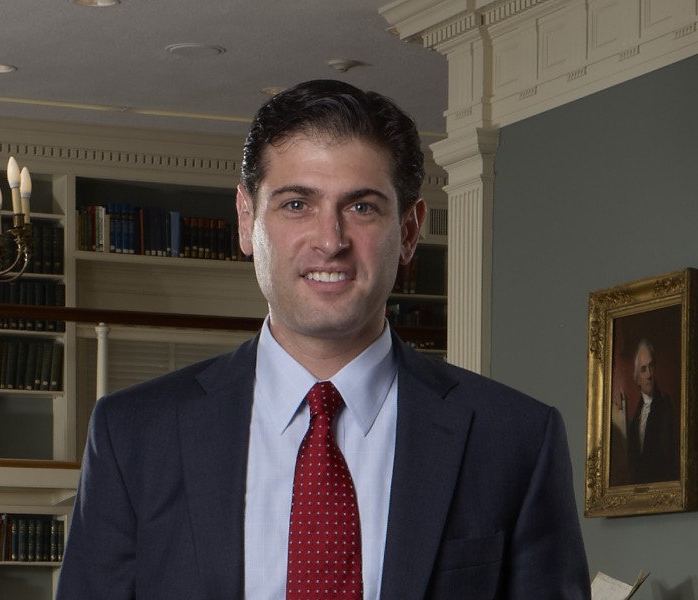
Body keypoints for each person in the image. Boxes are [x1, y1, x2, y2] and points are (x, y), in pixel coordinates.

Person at [55, 79, 589, 599]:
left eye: (362, 207)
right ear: (246, 220)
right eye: (296, 205)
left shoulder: (514, 438)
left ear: (408, 230)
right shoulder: (134, 436)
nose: (330, 240)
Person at [617, 338, 679, 484]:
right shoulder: (636, 416)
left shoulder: (665, 406)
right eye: (643, 369)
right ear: (637, 379)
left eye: (651, 367)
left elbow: (665, 455)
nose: (649, 375)